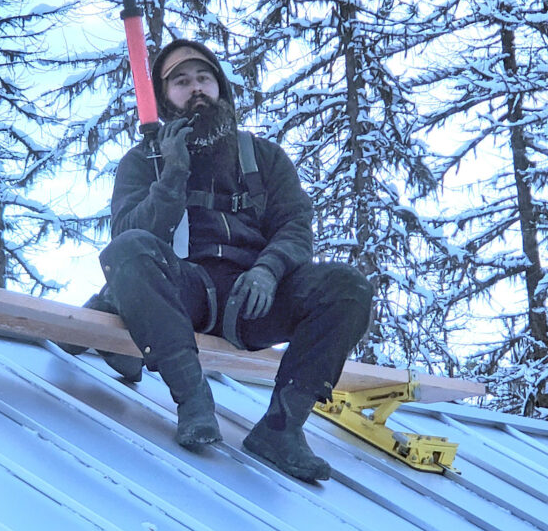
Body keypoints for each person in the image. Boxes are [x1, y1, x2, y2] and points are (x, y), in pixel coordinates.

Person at [99, 39, 373, 482]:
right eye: (181, 82)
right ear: (164, 97)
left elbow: (296, 225)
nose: (196, 90)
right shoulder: (142, 163)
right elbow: (128, 237)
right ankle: (193, 402)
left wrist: (269, 268)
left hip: (253, 301)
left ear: (221, 87)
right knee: (129, 252)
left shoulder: (262, 157)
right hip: (184, 292)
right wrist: (171, 176)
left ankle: (281, 430)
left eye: (204, 78)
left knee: (347, 286)